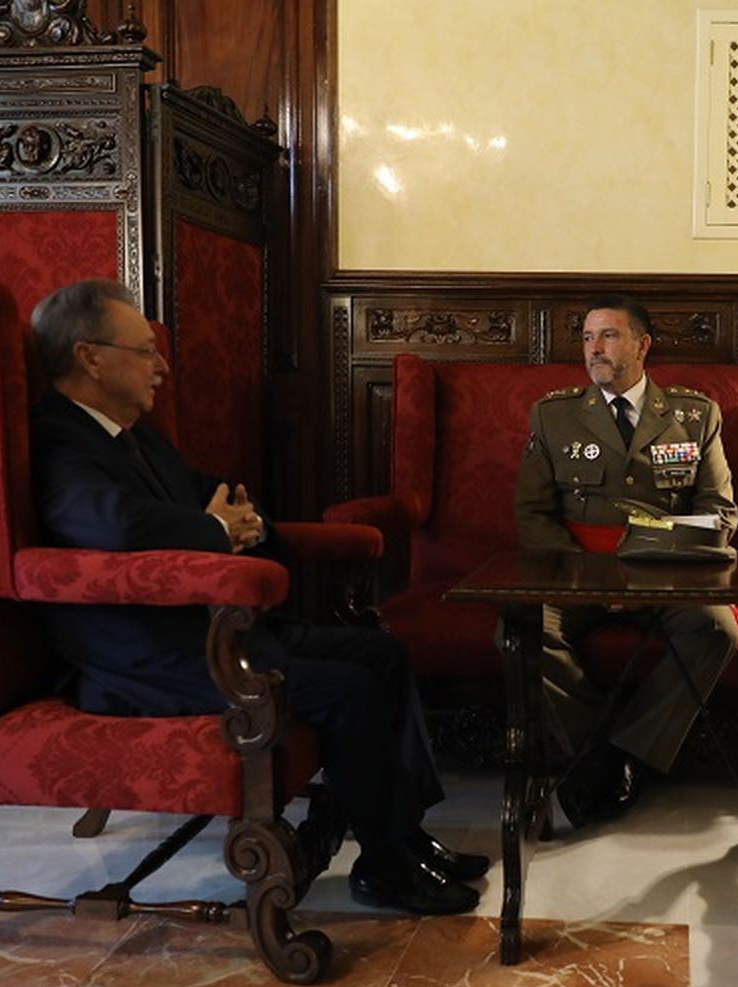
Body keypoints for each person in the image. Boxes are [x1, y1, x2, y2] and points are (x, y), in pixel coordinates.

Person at [27, 278, 488, 916]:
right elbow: (111, 524)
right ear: (90, 357)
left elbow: (214, 491)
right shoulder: (58, 437)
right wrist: (217, 529)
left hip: (210, 633)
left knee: (381, 653)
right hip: (143, 656)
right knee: (349, 688)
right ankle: (384, 868)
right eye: (144, 350)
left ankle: (403, 836)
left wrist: (244, 522)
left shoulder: (132, 433)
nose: (160, 364)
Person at [512, 294, 738, 826]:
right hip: (576, 575)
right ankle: (601, 752)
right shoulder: (554, 416)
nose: (595, 349)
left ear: (642, 345)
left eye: (609, 336)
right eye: (588, 338)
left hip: (667, 576)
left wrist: (650, 570)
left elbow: (718, 512)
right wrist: (589, 579)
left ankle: (620, 754)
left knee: (716, 630)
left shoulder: (694, 415)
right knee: (519, 628)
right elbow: (532, 514)